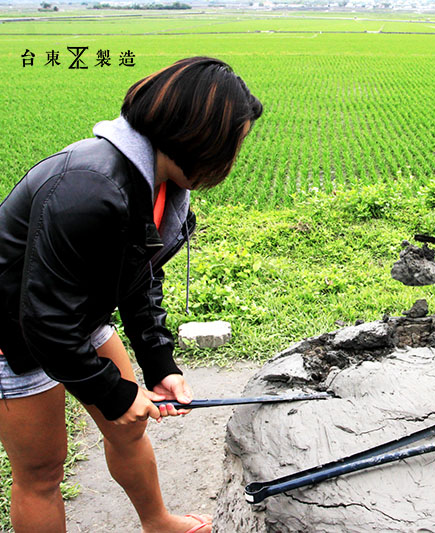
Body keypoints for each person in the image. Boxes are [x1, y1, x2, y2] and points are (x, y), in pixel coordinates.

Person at [0, 56, 262, 533]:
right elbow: (42, 322)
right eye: (233, 145)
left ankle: (158, 522)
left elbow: (139, 279)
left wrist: (160, 365)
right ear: (198, 134)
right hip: (14, 332)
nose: (232, 160)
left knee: (129, 425)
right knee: (42, 470)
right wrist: (113, 391)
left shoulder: (160, 188)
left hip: (73, 312)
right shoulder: (88, 187)